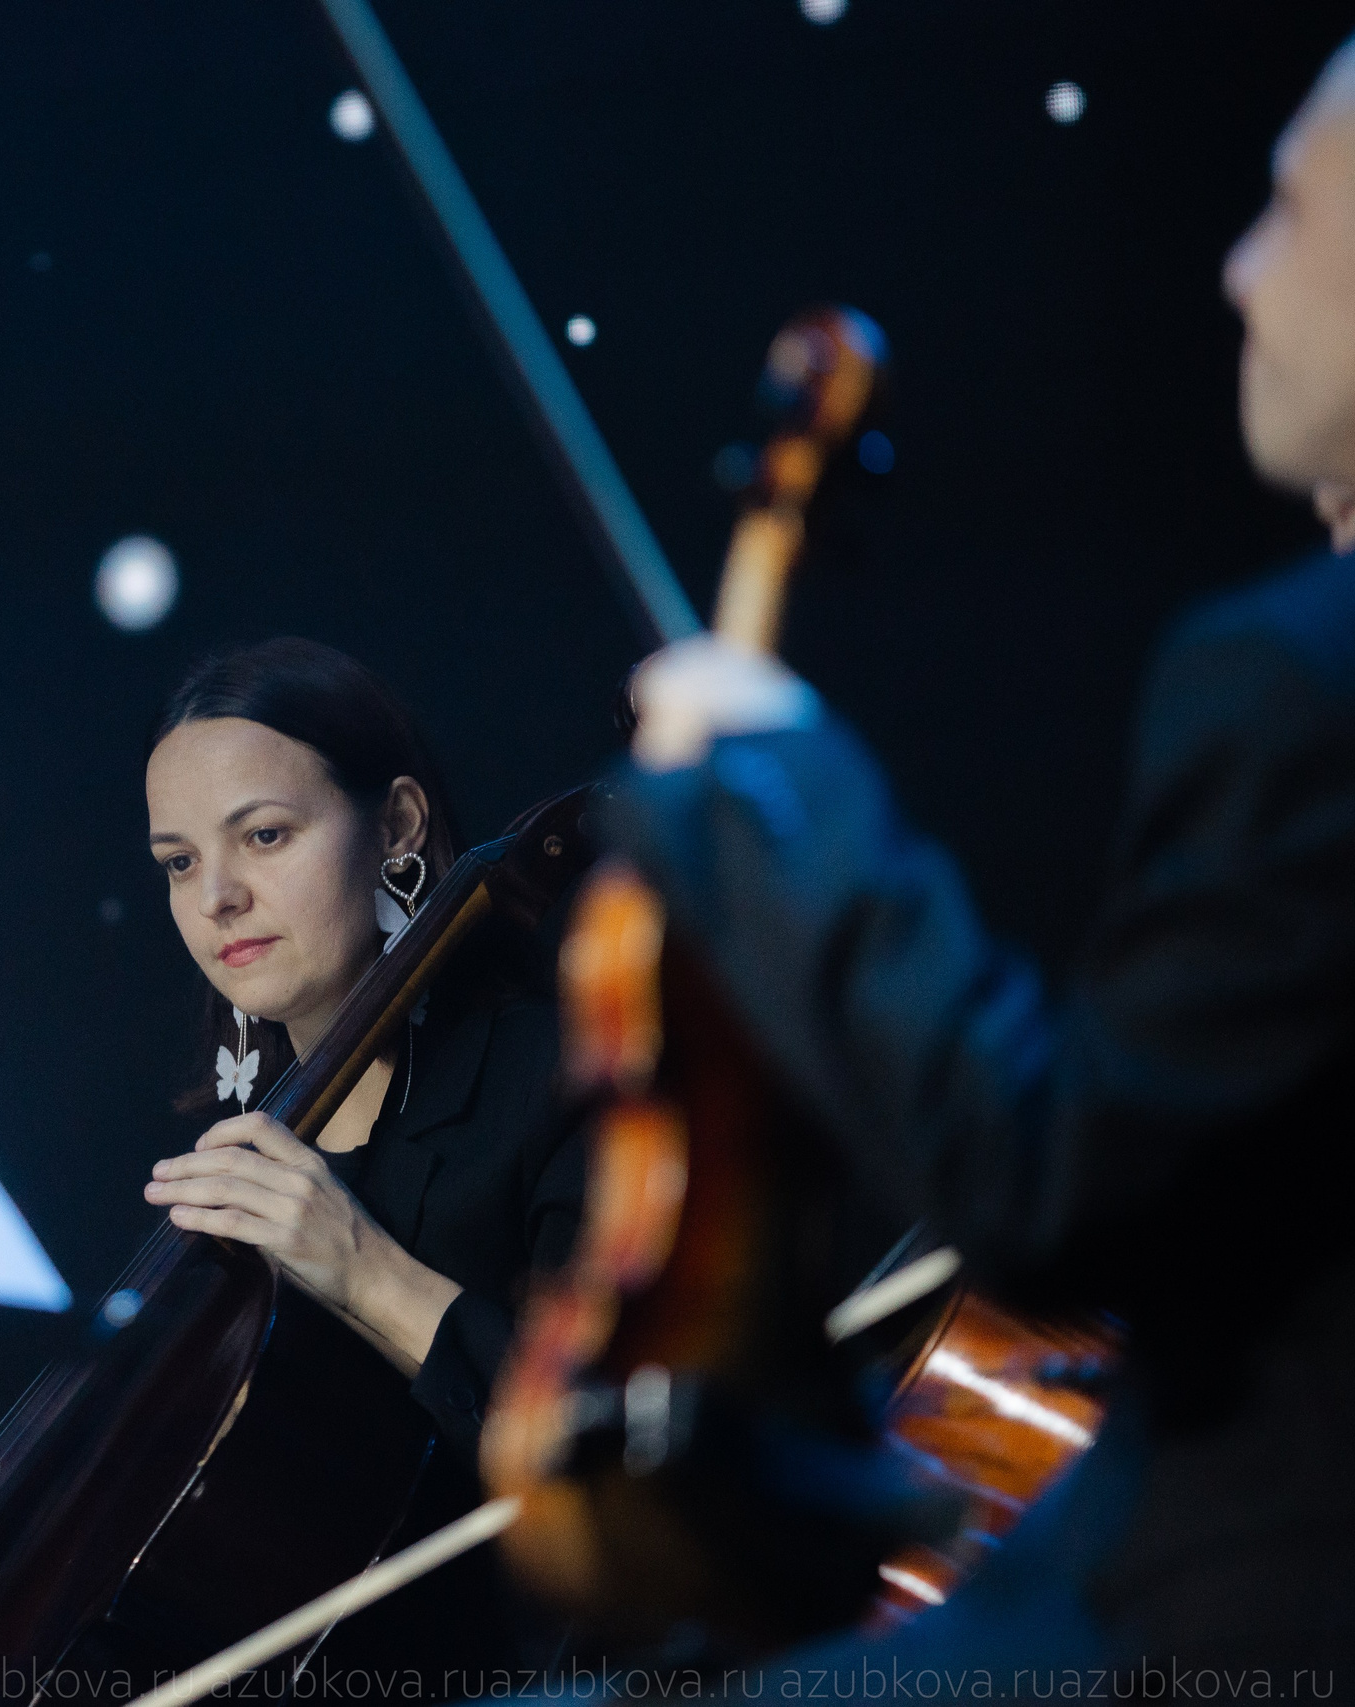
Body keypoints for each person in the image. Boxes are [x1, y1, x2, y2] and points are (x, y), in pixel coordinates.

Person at [595, 38, 1355, 1673]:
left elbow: (1047, 1193)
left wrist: (778, 782)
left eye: (1292, 214)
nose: (1238, 269)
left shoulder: (1300, 672)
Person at [139, 637, 582, 1674]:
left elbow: (628, 1454)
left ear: (396, 825)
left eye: (264, 835)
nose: (216, 897)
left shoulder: (562, 1075)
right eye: (179, 862)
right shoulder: (235, 1169)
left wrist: (364, 1269)